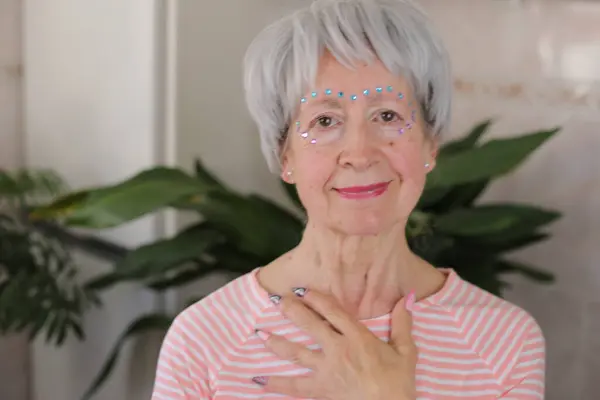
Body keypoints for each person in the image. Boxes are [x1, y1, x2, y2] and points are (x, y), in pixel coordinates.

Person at [151, 0, 545, 399]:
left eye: (387, 116)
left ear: (431, 143)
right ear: (285, 155)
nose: (360, 152)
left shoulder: (504, 343)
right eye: (325, 121)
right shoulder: (204, 340)